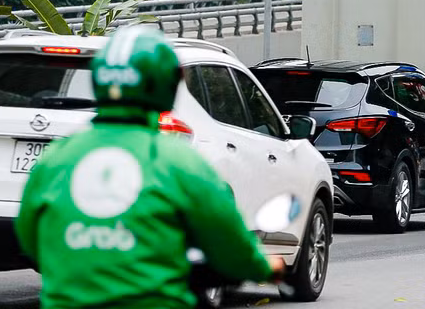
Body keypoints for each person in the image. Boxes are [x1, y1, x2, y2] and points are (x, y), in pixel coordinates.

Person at [15, 26, 284, 309]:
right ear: (167, 83)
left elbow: (30, 242)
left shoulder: (56, 158)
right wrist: (266, 266)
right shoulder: (180, 163)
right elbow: (230, 248)